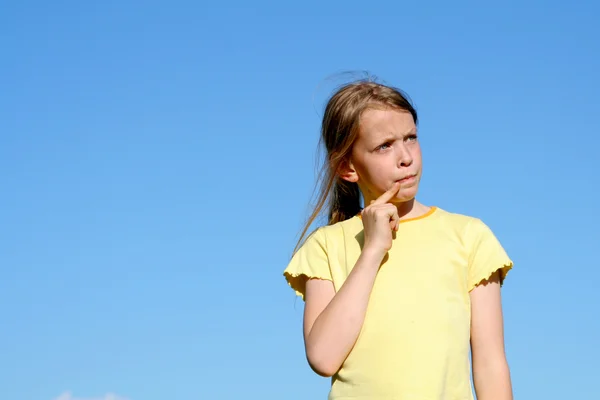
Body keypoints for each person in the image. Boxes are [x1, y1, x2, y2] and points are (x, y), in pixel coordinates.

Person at [283, 78, 514, 400]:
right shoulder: (326, 245)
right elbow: (323, 357)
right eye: (384, 146)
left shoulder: (468, 236)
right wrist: (373, 248)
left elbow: (490, 364)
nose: (405, 157)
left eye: (411, 138)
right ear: (347, 167)